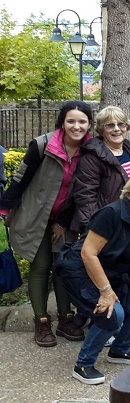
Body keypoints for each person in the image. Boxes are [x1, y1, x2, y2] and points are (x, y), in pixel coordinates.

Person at [0, 101, 93, 347]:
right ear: (62, 122)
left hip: (65, 219)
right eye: (71, 121)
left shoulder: (91, 150)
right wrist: (4, 208)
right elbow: (21, 179)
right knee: (41, 265)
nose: (77, 126)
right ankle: (41, 321)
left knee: (63, 266)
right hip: (35, 215)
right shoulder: (43, 145)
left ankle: (65, 319)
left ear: (89, 124)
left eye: (82, 121)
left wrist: (63, 223)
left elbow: (82, 191)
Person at [59, 170, 130, 385]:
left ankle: (119, 351)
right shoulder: (111, 214)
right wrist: (106, 292)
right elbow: (88, 253)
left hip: (118, 275)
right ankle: (83, 364)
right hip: (84, 273)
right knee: (112, 315)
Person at [69, 106, 130, 238]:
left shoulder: (127, 149)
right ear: (101, 130)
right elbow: (85, 196)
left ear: (127, 127)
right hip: (108, 225)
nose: (117, 129)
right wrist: (97, 228)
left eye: (121, 124)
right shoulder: (92, 157)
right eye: (110, 125)